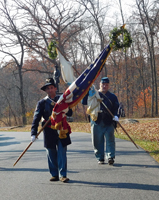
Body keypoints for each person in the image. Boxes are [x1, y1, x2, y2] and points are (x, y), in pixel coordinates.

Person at [31, 78, 72, 182]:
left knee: (62, 152)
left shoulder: (62, 100)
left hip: (62, 129)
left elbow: (70, 113)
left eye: (51, 88)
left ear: (55, 88)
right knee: (50, 152)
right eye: (48, 88)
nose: (50, 90)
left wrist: (66, 109)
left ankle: (63, 175)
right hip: (48, 130)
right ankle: (54, 174)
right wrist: (33, 132)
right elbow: (36, 117)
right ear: (46, 91)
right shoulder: (42, 103)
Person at [82, 77, 119, 165]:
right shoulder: (94, 94)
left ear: (108, 85)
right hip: (96, 120)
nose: (104, 86)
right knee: (97, 140)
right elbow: (84, 102)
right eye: (103, 84)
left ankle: (110, 157)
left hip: (109, 121)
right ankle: (100, 157)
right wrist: (87, 92)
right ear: (100, 84)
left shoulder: (112, 96)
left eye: (106, 85)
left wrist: (116, 116)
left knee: (110, 139)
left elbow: (116, 108)